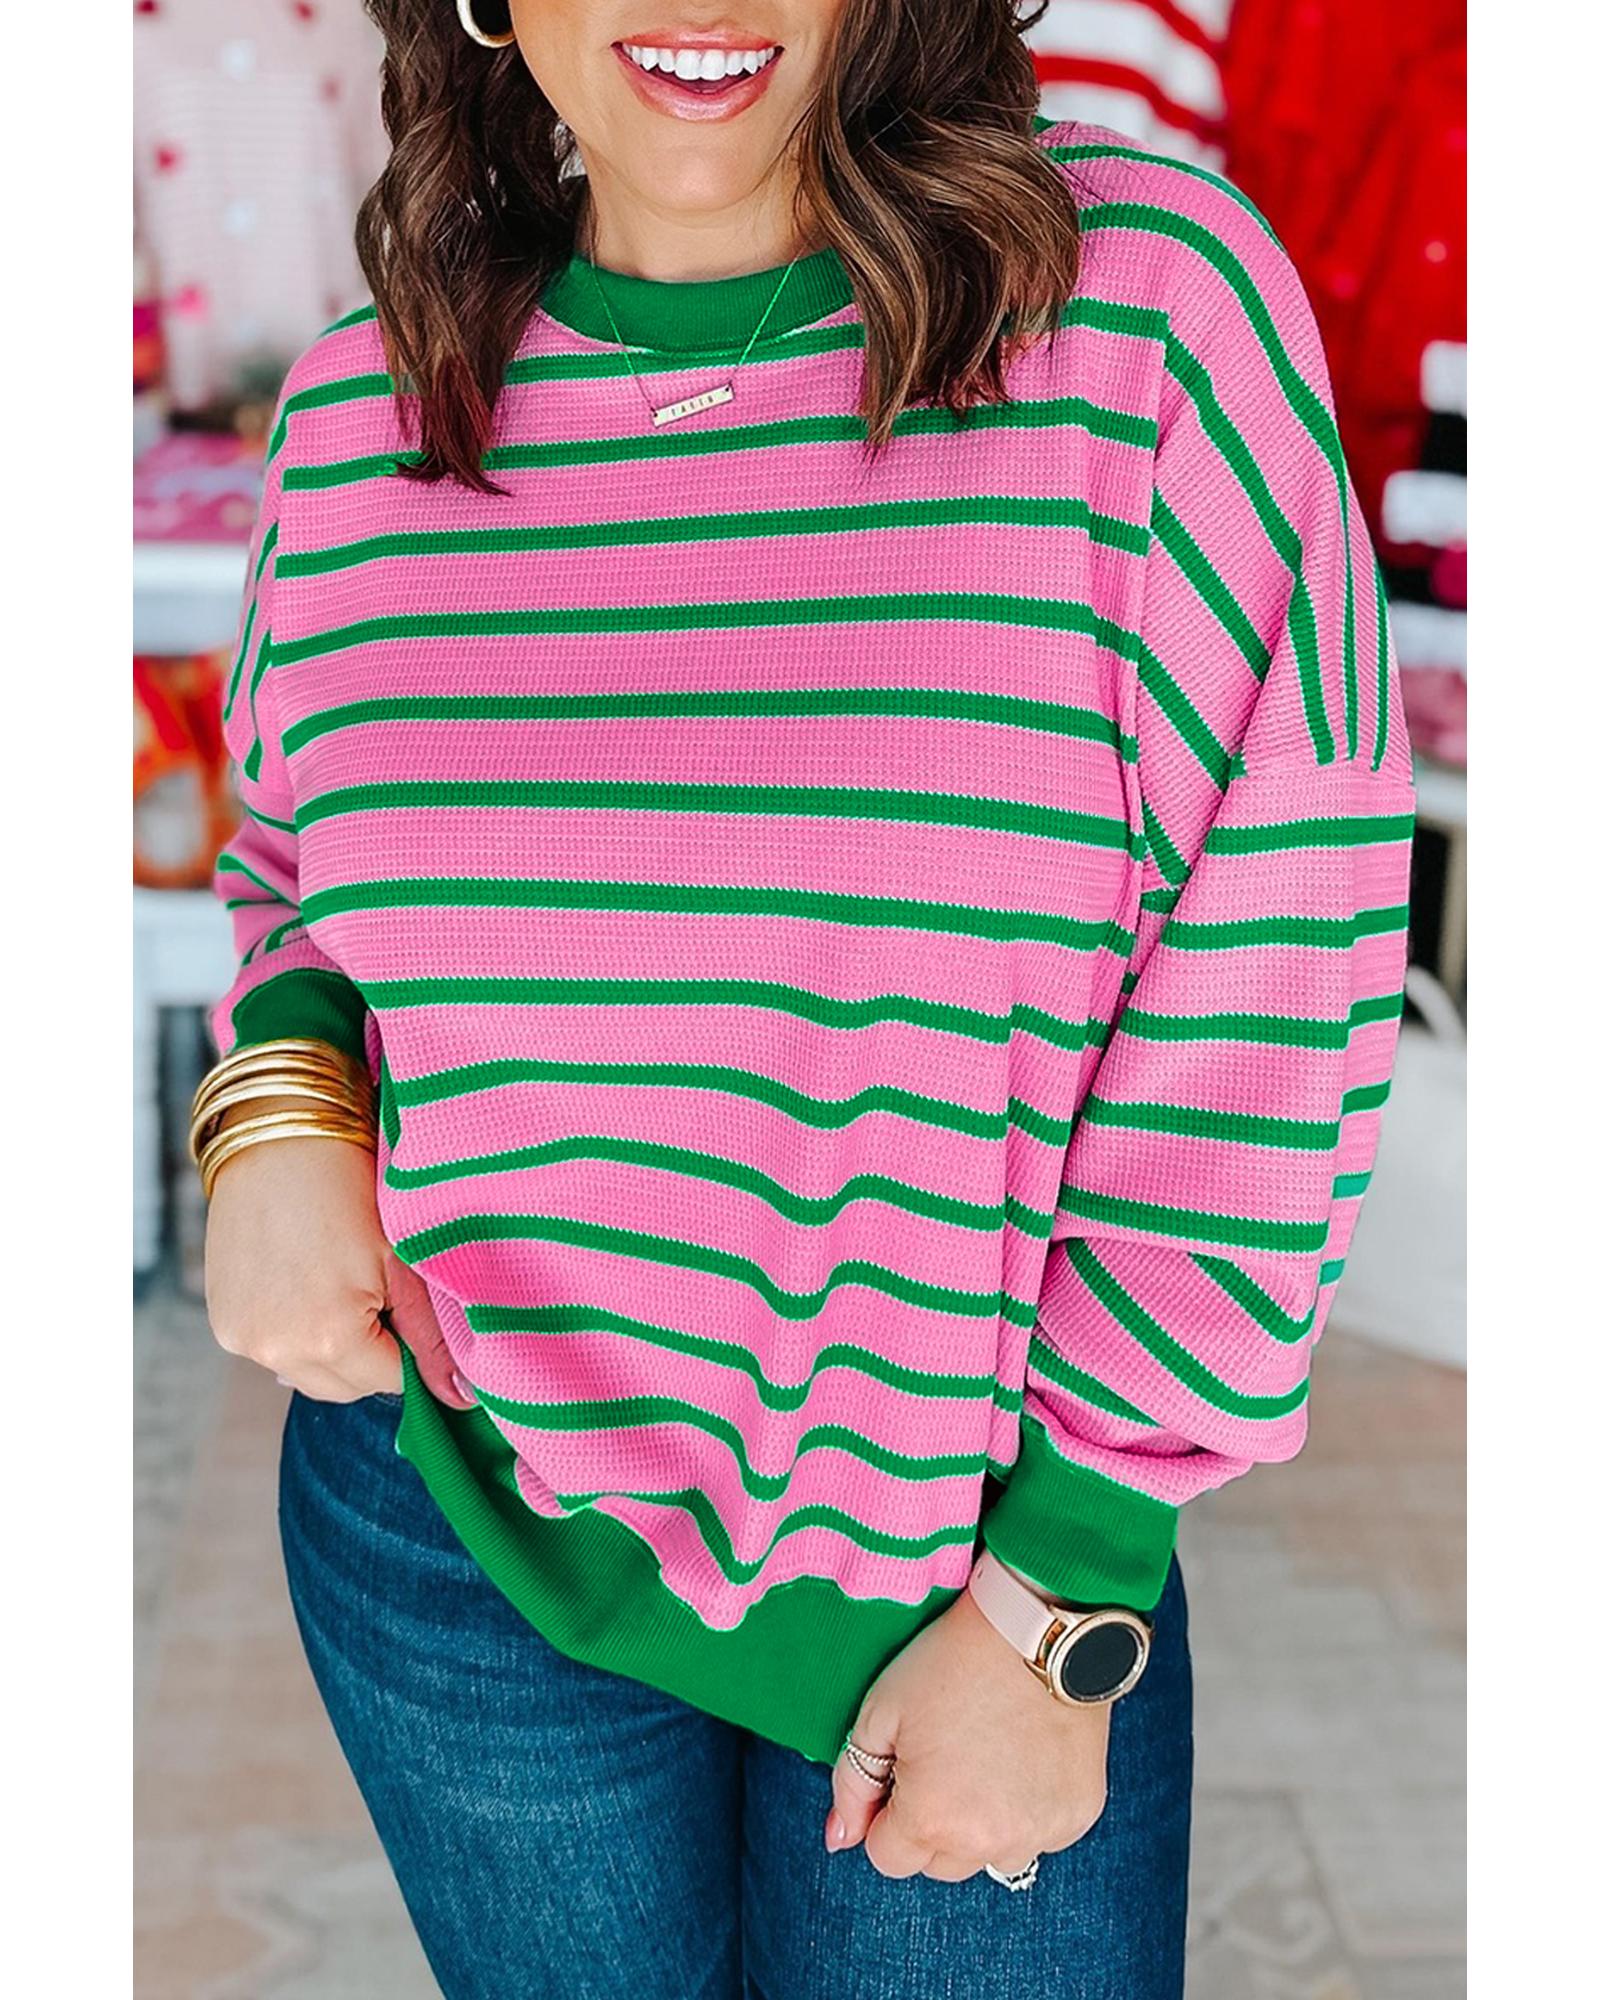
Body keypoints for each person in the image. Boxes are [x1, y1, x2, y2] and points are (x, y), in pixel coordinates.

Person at [193, 3, 1416, 1995]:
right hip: (451, 1529)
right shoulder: (361, 417)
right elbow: (297, 876)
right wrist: (275, 1110)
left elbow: (1278, 979)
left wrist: (1062, 1593)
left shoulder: (1140, 322)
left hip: (972, 1567)